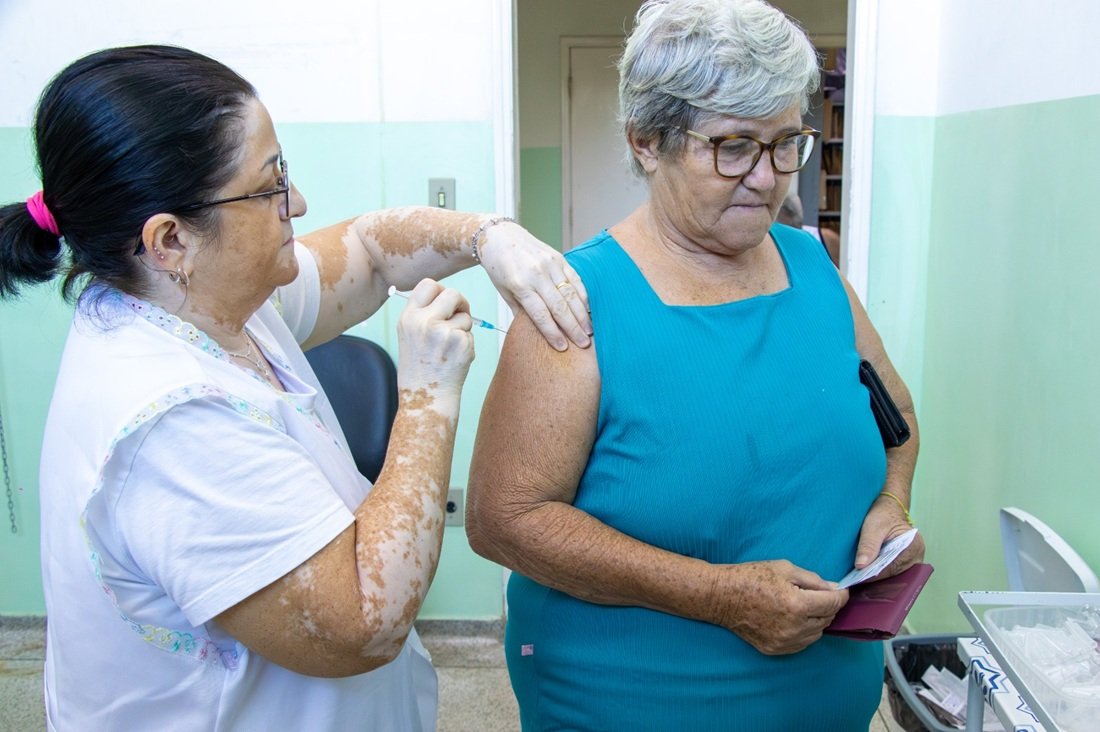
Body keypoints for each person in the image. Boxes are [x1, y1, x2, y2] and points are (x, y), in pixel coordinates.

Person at [0, 45, 592, 731]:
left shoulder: (217, 300)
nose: (299, 203)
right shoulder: (168, 422)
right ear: (169, 241)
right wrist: (427, 396)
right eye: (269, 187)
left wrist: (487, 236)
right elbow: (363, 623)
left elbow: (369, 250)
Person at [465, 0, 923, 729]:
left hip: (826, 693)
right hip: (635, 698)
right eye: (734, 146)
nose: (770, 178)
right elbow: (503, 521)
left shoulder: (814, 268)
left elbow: (895, 423)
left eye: (786, 144)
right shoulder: (577, 303)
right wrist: (718, 595)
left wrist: (890, 505)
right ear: (647, 142)